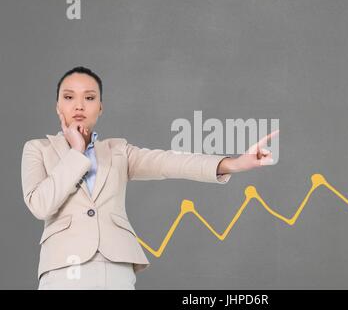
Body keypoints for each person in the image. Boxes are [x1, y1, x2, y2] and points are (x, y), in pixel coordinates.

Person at [21, 66, 279, 290]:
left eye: (89, 97)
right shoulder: (38, 149)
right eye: (69, 97)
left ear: (100, 107)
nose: (79, 105)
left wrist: (232, 163)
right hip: (62, 267)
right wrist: (77, 151)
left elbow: (170, 162)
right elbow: (41, 204)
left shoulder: (118, 150)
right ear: (57, 106)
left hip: (117, 268)